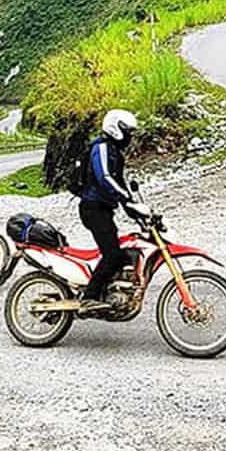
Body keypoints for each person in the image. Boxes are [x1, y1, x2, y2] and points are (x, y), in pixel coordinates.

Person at [79, 109, 149, 313]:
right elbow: (106, 178)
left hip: (103, 210)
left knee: (127, 252)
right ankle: (89, 297)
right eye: (128, 131)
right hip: (93, 209)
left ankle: (111, 291)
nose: (130, 137)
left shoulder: (115, 152)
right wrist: (126, 198)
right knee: (112, 255)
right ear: (115, 128)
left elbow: (121, 184)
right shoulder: (101, 148)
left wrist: (138, 213)